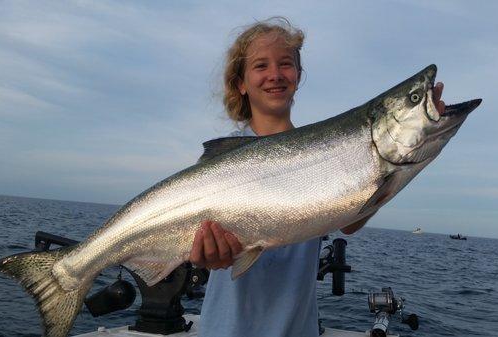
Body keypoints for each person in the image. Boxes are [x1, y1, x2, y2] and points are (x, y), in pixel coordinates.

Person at [190, 17, 446, 337]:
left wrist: (411, 146)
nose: (275, 74)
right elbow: (204, 253)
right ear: (240, 82)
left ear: (298, 76)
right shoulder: (223, 159)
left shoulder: (324, 152)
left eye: (286, 64)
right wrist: (208, 258)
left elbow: (350, 221)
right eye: (260, 66)